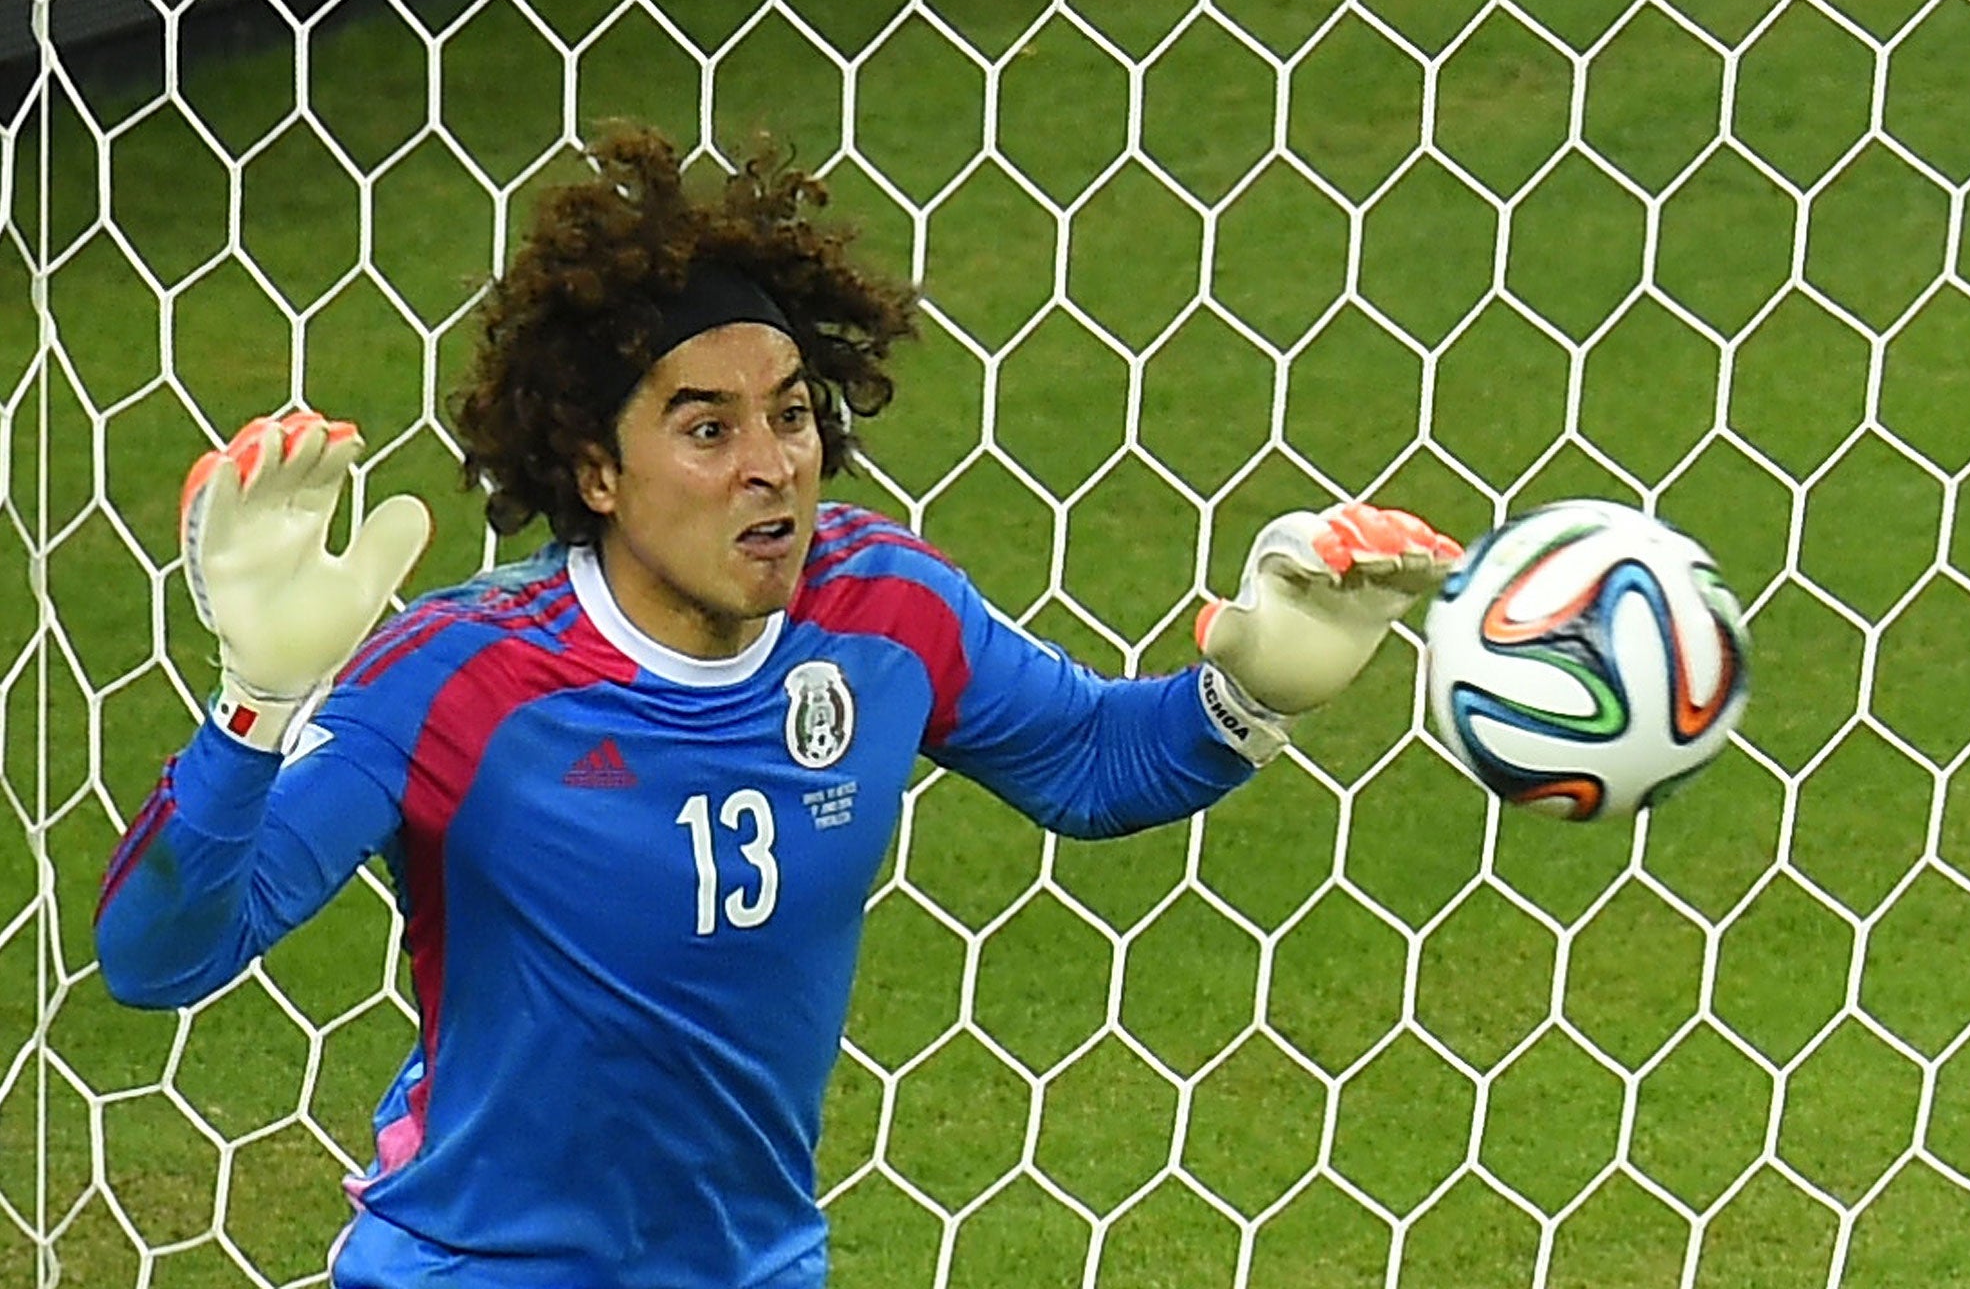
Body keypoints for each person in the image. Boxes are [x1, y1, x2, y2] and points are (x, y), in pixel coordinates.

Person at [94, 122, 1462, 1289]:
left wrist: (1251, 688)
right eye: (707, 428)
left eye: (793, 415)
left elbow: (1094, 764)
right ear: (598, 469)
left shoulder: (886, 612)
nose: (773, 470)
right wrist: (257, 708)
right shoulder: (459, 679)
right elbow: (161, 960)